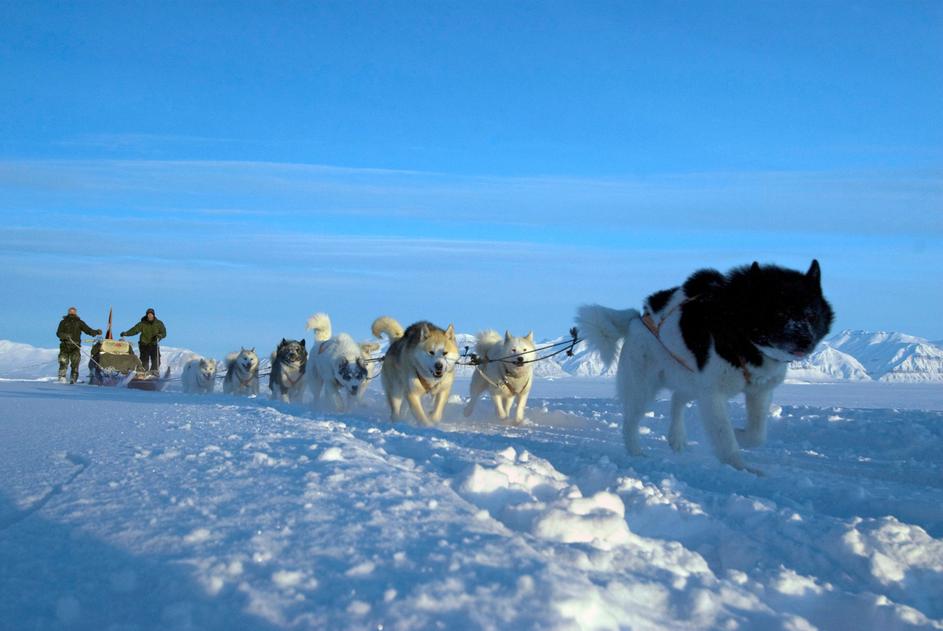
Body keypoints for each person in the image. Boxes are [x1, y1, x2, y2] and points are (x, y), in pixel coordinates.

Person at [56, 307, 101, 383]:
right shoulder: (63, 322)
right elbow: (58, 333)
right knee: (63, 362)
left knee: (75, 364)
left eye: (73, 312)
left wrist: (96, 332)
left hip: (75, 346)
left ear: (75, 313)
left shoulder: (79, 322)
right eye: (71, 311)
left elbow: (88, 330)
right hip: (65, 345)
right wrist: (65, 335)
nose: (72, 313)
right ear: (68, 312)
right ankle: (62, 378)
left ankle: (73, 379)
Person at [120, 308, 167, 373]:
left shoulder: (159, 323)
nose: (150, 316)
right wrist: (126, 333)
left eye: (151, 314)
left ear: (153, 315)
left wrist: (159, 336)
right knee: (144, 360)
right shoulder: (142, 323)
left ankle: (154, 371)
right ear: (147, 315)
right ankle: (143, 372)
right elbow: (134, 330)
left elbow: (164, 333)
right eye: (148, 314)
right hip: (144, 344)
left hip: (154, 344)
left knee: (156, 359)